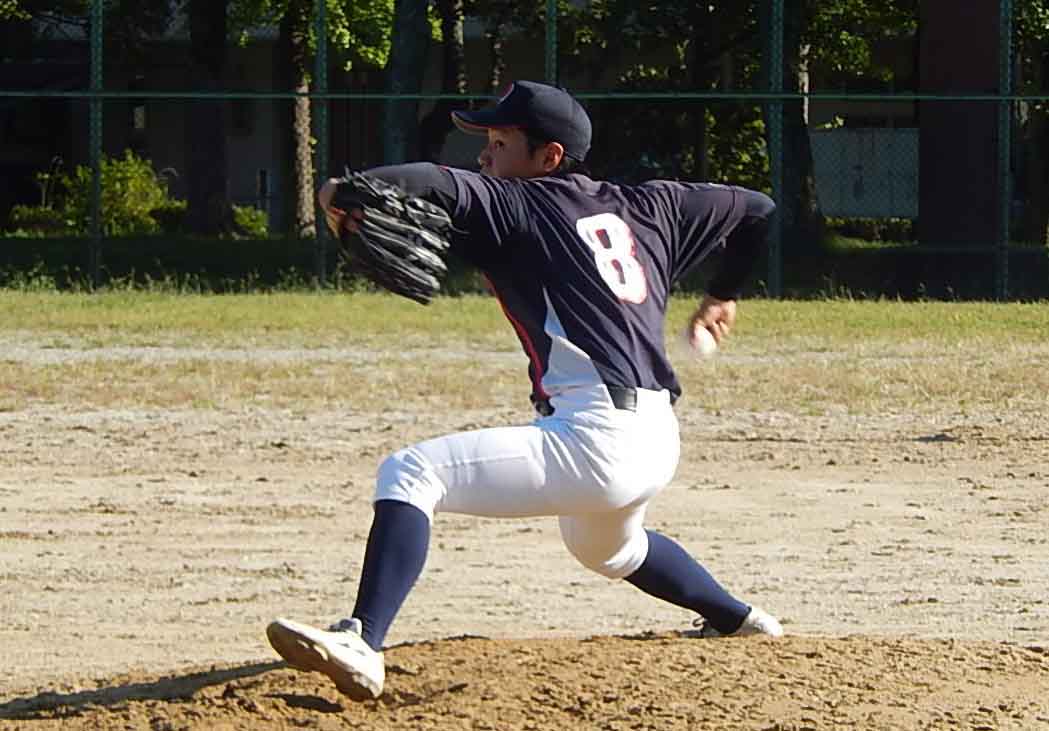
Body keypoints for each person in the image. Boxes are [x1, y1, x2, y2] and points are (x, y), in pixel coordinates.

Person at [266, 80, 782, 701]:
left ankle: (362, 639)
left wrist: (337, 193)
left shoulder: (519, 204)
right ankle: (741, 619)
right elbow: (758, 208)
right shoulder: (652, 207)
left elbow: (433, 180)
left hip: (596, 436)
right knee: (607, 549)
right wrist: (723, 293)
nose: (484, 155)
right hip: (653, 437)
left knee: (409, 474)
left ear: (549, 157)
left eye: (500, 141)